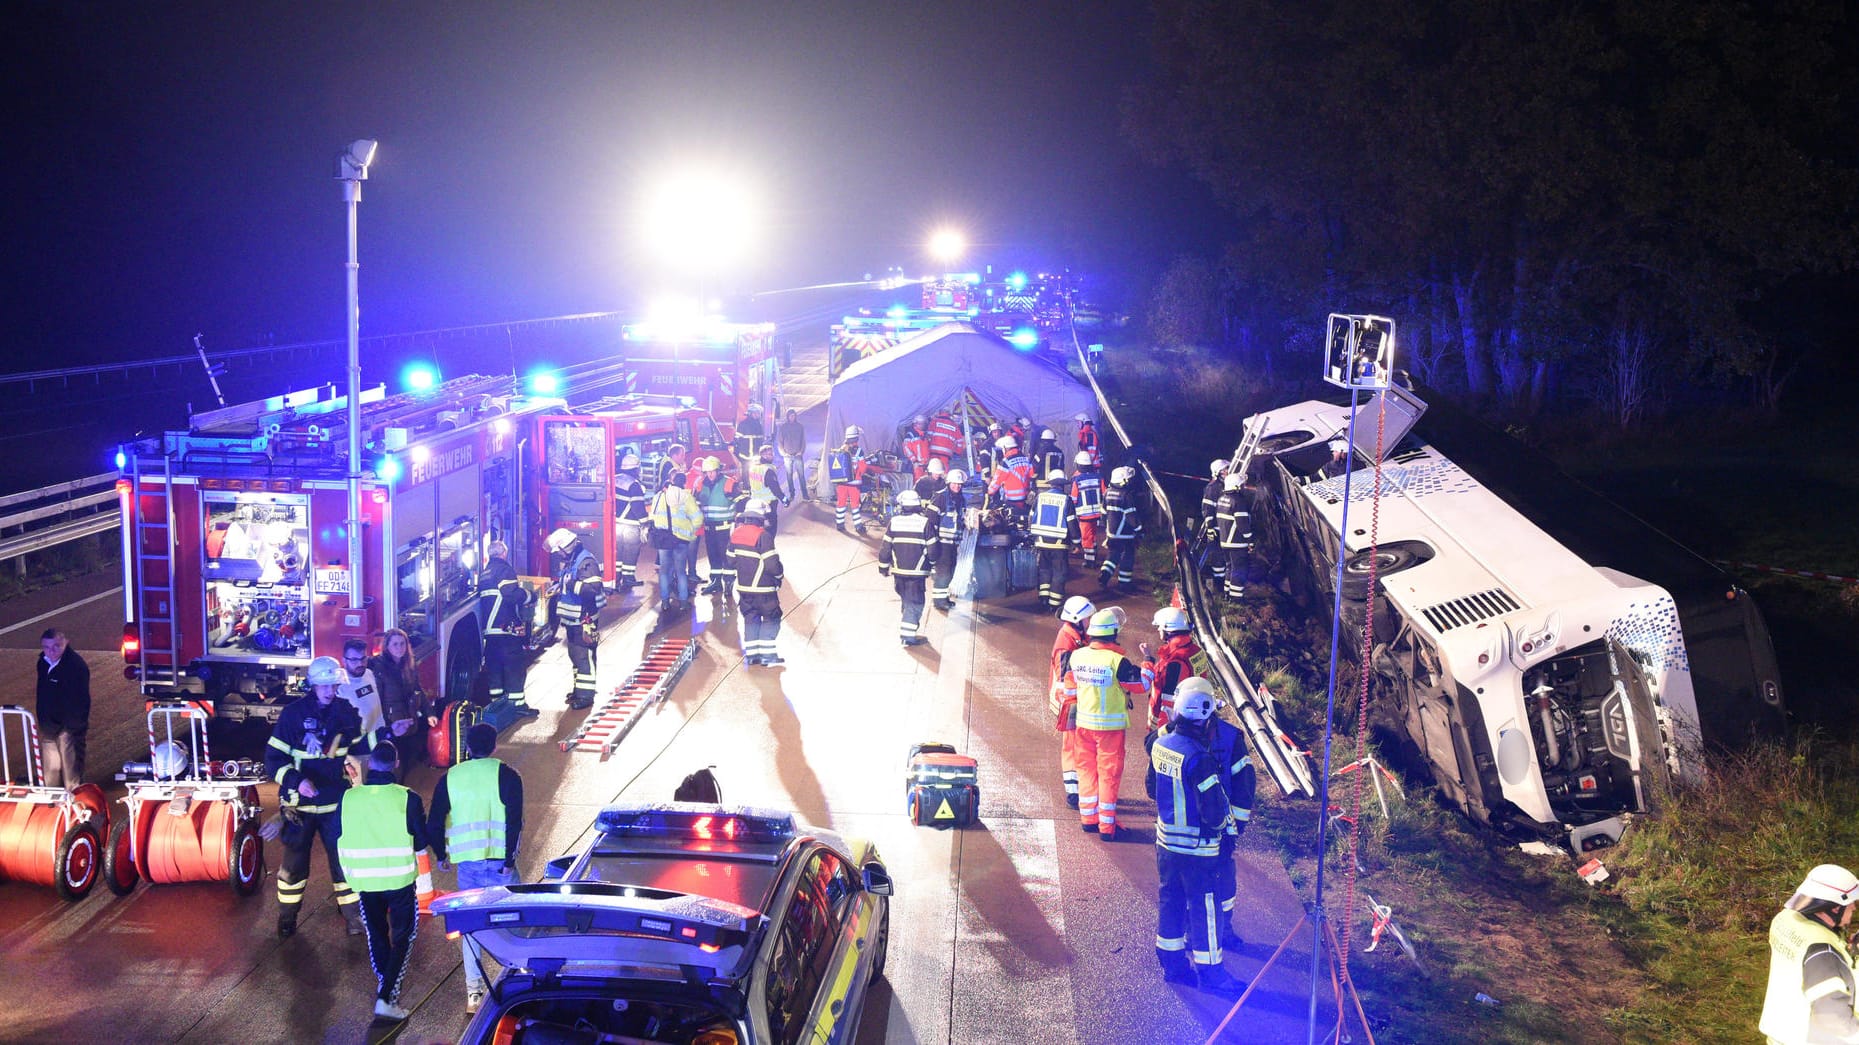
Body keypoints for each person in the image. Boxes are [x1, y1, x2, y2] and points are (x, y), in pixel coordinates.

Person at [1147, 683, 1247, 997]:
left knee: (1171, 902)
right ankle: (1212, 974)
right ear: (1203, 717)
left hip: (1166, 845)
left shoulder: (1161, 745)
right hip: (1198, 850)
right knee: (1205, 908)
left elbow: (1152, 789)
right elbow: (1215, 810)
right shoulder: (1199, 758)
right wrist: (1224, 832)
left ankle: (1172, 964)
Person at [266, 654, 368, 939]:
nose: (330, 691)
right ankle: (287, 917)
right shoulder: (293, 715)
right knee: (294, 866)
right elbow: (273, 760)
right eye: (325, 686)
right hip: (300, 806)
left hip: (335, 803)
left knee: (344, 862)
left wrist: (387, 737)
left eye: (334, 686)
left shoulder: (345, 712)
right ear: (313, 685)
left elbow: (361, 746)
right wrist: (297, 782)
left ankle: (353, 918)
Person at [428, 723, 524, 1015]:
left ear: (467, 748)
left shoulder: (451, 777)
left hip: (467, 867)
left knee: (470, 928)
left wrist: (441, 854)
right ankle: (520, 976)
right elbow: (514, 821)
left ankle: (474, 993)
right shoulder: (507, 775)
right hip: (500, 866)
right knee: (516, 919)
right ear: (494, 746)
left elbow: (434, 820)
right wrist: (509, 860)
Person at [335, 743, 431, 1022]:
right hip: (399, 880)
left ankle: (385, 986)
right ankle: (386, 997)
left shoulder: (349, 798)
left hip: (364, 880)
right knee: (403, 937)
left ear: (370, 764)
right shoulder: (407, 798)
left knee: (376, 933)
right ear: (396, 762)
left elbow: (338, 834)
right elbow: (421, 840)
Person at [1175, 676, 1256, 948]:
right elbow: (1244, 785)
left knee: (1213, 883)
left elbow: (1243, 787)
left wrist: (1234, 829)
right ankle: (1204, 934)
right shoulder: (1230, 737)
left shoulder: (1172, 735)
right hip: (1196, 831)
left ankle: (1219, 931)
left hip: (1199, 830)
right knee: (1203, 883)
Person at [1059, 608, 1145, 840]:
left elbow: (1069, 690)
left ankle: (1088, 820)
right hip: (1110, 730)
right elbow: (1142, 686)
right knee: (1108, 775)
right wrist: (1147, 664)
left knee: (1086, 771)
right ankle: (1107, 827)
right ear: (1114, 633)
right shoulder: (1118, 661)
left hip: (1083, 726)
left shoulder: (1076, 656)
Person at [1759, 865, 1859, 1044]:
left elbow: (1806, 951)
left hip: (1781, 1033)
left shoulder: (1784, 920)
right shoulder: (1824, 954)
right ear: (1834, 908)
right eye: (1850, 903)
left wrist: (1846, 948)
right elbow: (1833, 1018)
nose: (1853, 907)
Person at [547, 527, 606, 709]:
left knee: (584, 656)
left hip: (584, 619)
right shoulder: (573, 560)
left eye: (559, 551)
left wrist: (570, 584)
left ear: (567, 547)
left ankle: (586, 696)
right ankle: (579, 690)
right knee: (575, 655)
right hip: (573, 620)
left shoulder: (586, 562)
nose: (558, 555)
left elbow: (592, 589)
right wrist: (559, 586)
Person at [476, 541, 535, 719]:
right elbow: (510, 594)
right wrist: (528, 595)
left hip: (490, 632)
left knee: (495, 669)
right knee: (514, 667)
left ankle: (498, 707)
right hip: (505, 630)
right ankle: (517, 706)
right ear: (503, 554)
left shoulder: (484, 573)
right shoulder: (504, 569)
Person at [1047, 596, 1095, 809]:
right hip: (1070, 702)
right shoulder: (1067, 643)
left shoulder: (1074, 636)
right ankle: (1074, 792)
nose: (1090, 622)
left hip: (1076, 700)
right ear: (1077, 620)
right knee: (1072, 746)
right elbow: (1065, 676)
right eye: (1088, 619)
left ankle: (1082, 787)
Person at [878, 489, 938, 646]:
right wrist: (933, 566)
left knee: (907, 600)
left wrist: (883, 567)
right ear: (918, 505)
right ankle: (908, 636)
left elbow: (885, 548)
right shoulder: (925, 523)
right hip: (916, 573)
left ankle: (908, 629)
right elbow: (932, 549)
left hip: (899, 572)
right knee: (915, 603)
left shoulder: (894, 522)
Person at [730, 499, 786, 666]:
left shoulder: (736, 534)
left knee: (751, 618)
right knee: (771, 617)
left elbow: (730, 561)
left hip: (744, 589)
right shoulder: (763, 536)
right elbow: (772, 564)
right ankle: (768, 654)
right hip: (764, 588)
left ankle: (752, 655)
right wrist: (779, 575)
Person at [35, 628, 90, 789]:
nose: (51, 651)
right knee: (51, 769)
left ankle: (74, 803)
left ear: (66, 643)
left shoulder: (76, 666)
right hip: (49, 725)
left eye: (56, 646)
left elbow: (79, 700)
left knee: (71, 770)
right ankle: (53, 804)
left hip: (69, 728)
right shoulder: (43, 663)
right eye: (46, 647)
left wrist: (71, 728)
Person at [369, 628, 428, 775]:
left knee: (406, 760)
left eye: (402, 644)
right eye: (395, 644)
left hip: (408, 721)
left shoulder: (409, 665)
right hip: (392, 724)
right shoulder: (380, 667)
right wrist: (385, 725)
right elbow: (379, 699)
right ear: (387, 646)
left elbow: (417, 689)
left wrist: (430, 713)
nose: (399, 648)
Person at [647, 475, 703, 614]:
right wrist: (690, 531)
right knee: (681, 572)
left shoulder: (658, 496)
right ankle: (683, 603)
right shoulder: (686, 497)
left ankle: (665, 603)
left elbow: (652, 517)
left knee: (664, 571)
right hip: (681, 540)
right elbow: (698, 518)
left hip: (663, 539)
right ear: (683, 484)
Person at [1142, 607, 1201, 730]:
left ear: (1168, 629)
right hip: (1191, 715)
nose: (1158, 629)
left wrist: (1164, 732)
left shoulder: (1175, 661)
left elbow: (1169, 703)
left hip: (1168, 725)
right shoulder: (1195, 651)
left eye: (1160, 627)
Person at [1029, 469, 1079, 611]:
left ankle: (1043, 598)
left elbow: (1031, 517)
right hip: (1059, 544)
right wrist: (1076, 542)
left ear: (1051, 484)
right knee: (1059, 572)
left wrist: (1033, 535)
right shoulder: (1066, 499)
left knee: (1044, 569)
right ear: (1063, 485)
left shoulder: (1040, 497)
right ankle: (1055, 604)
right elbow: (1071, 523)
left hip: (1040, 542)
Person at [691, 456, 739, 595]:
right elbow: (693, 502)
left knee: (727, 557)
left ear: (718, 471)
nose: (710, 474)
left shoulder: (729, 483)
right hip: (708, 528)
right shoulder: (700, 484)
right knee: (713, 556)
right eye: (707, 472)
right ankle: (716, 582)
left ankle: (728, 582)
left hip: (725, 528)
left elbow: (740, 501)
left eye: (713, 471)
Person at [336, 637, 384, 755]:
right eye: (354, 660)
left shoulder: (369, 673)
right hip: (360, 749)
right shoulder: (339, 687)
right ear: (344, 660)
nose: (360, 663)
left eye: (363, 658)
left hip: (380, 740)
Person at [929, 468, 969, 610]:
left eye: (959, 484)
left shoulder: (961, 500)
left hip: (953, 543)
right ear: (948, 483)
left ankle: (944, 597)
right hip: (942, 543)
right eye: (954, 484)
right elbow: (931, 521)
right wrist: (933, 542)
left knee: (950, 570)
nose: (957, 486)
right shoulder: (940, 497)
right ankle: (939, 601)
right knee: (943, 571)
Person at [1100, 465, 1143, 590]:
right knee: (1128, 556)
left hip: (1112, 533)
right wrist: (1139, 529)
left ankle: (1105, 573)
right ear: (1124, 481)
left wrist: (1107, 528)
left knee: (1113, 554)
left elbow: (1103, 513)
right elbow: (1131, 517)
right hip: (1126, 534)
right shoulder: (1126, 495)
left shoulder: (1107, 493)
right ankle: (1124, 583)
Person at [614, 452, 651, 591]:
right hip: (630, 525)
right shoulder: (634, 485)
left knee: (618, 551)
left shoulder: (614, 479)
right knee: (630, 551)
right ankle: (628, 578)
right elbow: (637, 507)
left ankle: (616, 576)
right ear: (635, 469)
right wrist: (645, 522)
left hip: (615, 524)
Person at [1216, 469, 1254, 601]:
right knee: (1239, 569)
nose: (1244, 487)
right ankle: (1236, 598)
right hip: (1237, 542)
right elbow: (1243, 524)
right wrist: (1250, 540)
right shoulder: (1239, 501)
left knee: (1229, 567)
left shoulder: (1222, 499)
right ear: (1237, 487)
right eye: (1243, 485)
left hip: (1224, 541)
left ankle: (1227, 594)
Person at [827, 425, 871, 532]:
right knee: (855, 505)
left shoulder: (841, 449)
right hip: (854, 484)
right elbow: (863, 467)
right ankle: (858, 526)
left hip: (841, 483)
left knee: (841, 503)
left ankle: (840, 524)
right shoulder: (859, 451)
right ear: (856, 438)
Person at [985, 435, 1036, 521]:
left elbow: (997, 480)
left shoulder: (1006, 462)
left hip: (1011, 500)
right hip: (1025, 499)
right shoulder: (1026, 459)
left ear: (1005, 448)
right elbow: (1032, 475)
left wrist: (989, 492)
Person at [1070, 451, 1106, 569]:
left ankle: (1090, 561)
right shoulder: (1099, 477)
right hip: (1097, 513)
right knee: (1093, 535)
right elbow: (1105, 493)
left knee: (1086, 537)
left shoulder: (1077, 480)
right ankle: (1093, 554)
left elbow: (1074, 499)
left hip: (1084, 515)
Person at [744, 444, 788, 536]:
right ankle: (768, 548)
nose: (772, 456)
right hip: (768, 505)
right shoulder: (768, 470)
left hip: (755, 504)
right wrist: (784, 499)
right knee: (770, 530)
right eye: (769, 454)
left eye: (772, 453)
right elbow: (775, 488)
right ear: (763, 456)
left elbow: (749, 484)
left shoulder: (752, 468)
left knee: (757, 529)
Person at [1200, 459, 1229, 583]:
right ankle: (1218, 583)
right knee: (1218, 558)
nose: (1227, 472)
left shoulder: (1227, 486)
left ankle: (1225, 583)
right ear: (1217, 473)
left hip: (1227, 528)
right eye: (1224, 470)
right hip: (1217, 529)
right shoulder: (1212, 488)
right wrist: (1210, 527)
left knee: (1227, 557)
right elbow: (1207, 509)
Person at [776, 409, 808, 502]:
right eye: (790, 416)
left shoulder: (800, 427)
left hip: (798, 455)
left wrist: (801, 451)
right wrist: (783, 453)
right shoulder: (783, 427)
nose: (792, 417)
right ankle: (792, 494)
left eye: (793, 416)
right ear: (788, 417)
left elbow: (803, 441)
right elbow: (780, 441)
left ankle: (805, 494)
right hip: (787, 456)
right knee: (789, 476)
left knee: (801, 475)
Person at [901, 415, 931, 480]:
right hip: (916, 466)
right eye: (923, 423)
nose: (925, 425)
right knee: (917, 483)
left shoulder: (925, 435)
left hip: (925, 465)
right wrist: (914, 460)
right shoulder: (910, 435)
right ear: (917, 424)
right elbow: (906, 449)